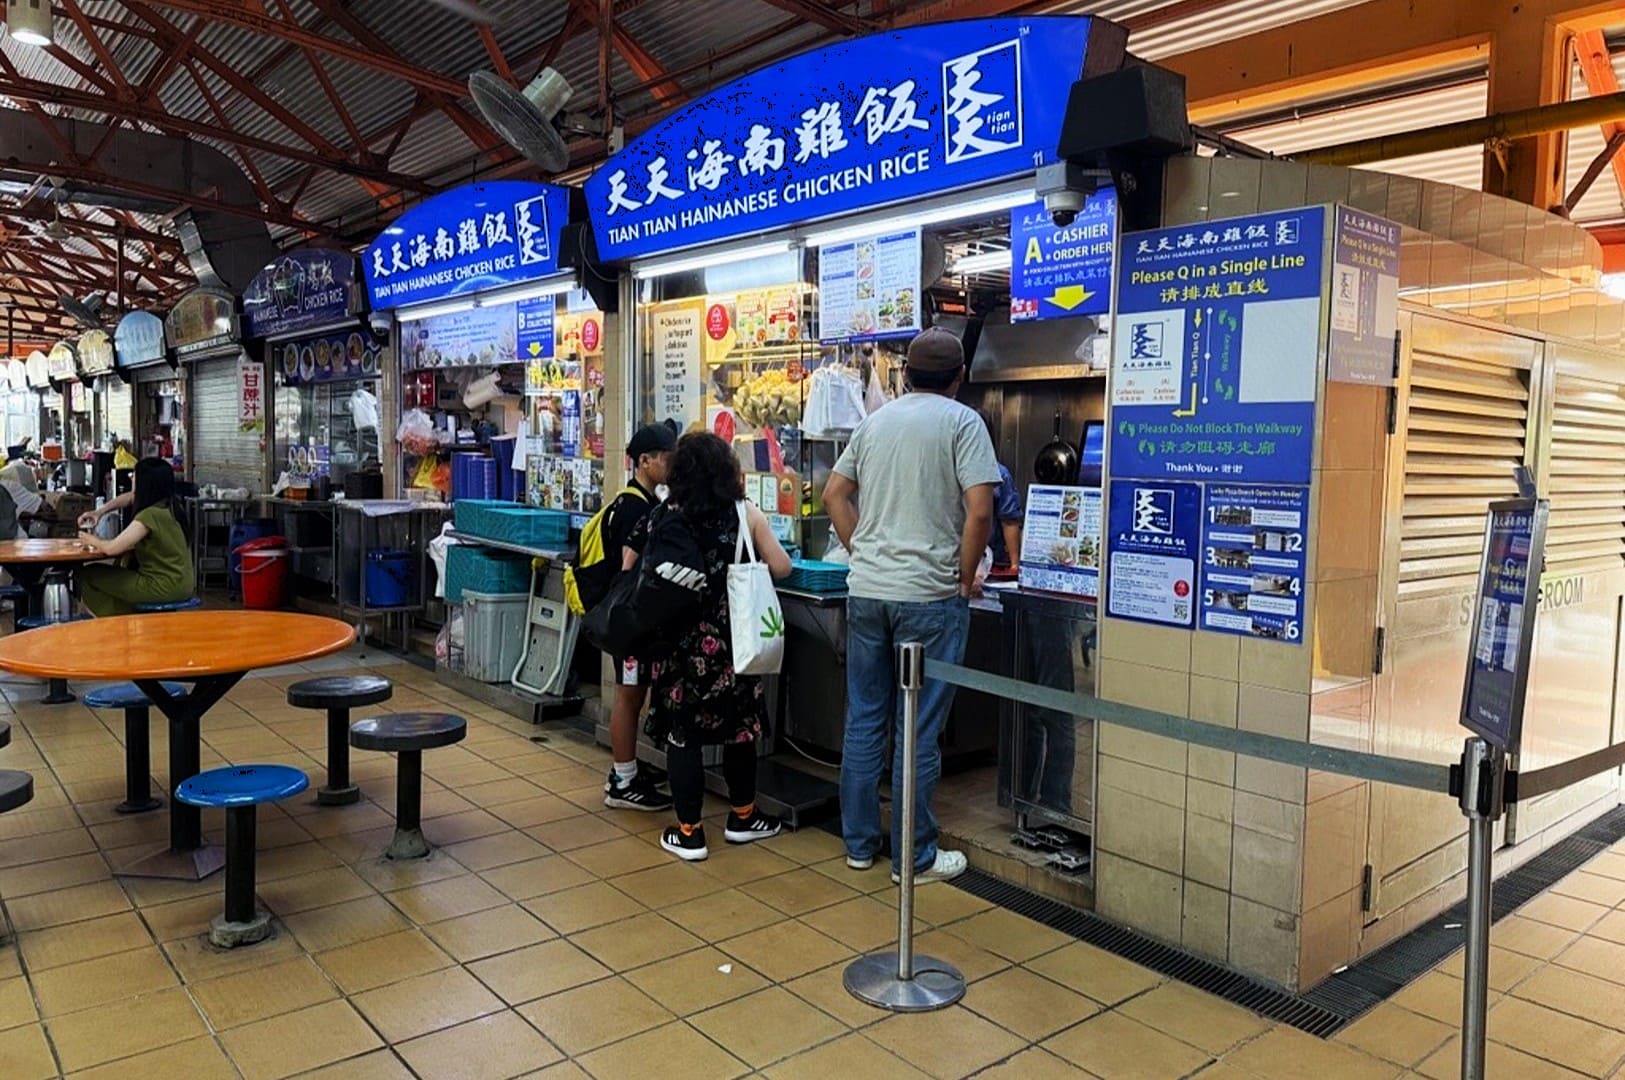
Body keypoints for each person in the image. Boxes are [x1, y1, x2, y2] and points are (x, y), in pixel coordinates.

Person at [822, 327, 999, 883]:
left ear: (905, 375)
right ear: (959, 377)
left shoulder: (876, 423)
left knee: (865, 719)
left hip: (868, 592)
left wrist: (864, 551)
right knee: (917, 729)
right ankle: (914, 858)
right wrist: (964, 578)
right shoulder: (963, 422)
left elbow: (834, 494)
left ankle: (858, 844)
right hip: (929, 598)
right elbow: (979, 513)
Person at [627, 432, 791, 862]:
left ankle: (689, 832)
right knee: (740, 731)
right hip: (734, 645)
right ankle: (743, 817)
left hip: (680, 644)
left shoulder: (666, 514)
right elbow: (782, 566)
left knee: (684, 737)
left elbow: (640, 568)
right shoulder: (744, 513)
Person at [601, 423, 677, 812]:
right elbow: (629, 566)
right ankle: (622, 782)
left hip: (630, 620)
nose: (671, 464)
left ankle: (628, 768)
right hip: (630, 623)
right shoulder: (636, 507)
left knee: (634, 694)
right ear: (645, 462)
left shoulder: (635, 501)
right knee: (629, 696)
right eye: (666, 458)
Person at [75, 457, 195, 616]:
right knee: (123, 567)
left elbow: (112, 549)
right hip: (184, 585)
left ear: (145, 484)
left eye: (134, 476)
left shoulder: (149, 516)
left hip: (161, 586)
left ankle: (120, 621)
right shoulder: (172, 507)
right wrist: (98, 512)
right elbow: (130, 497)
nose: (131, 479)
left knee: (85, 574)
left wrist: (88, 539)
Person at [978, 409, 1024, 572]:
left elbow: (1010, 521)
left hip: (991, 562)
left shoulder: (999, 474)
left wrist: (1014, 565)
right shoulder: (947, 470)